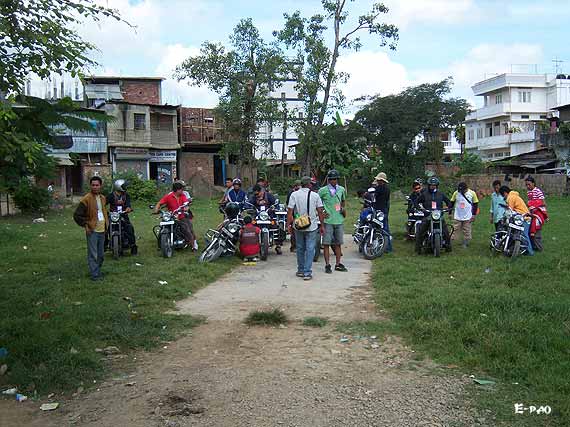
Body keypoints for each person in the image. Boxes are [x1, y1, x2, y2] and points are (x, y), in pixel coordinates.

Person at [287, 176, 325, 281]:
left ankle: (300, 270)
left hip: (298, 225)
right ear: (309, 184)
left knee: (300, 248)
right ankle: (307, 272)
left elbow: (290, 211)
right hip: (311, 225)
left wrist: (288, 225)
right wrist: (322, 225)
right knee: (310, 248)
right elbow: (320, 211)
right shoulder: (315, 195)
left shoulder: (294, 194)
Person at [73, 176, 108, 281]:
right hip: (92, 230)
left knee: (101, 254)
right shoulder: (86, 199)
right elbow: (77, 215)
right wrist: (85, 225)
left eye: (97, 185)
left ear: (100, 186)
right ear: (90, 186)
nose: (95, 187)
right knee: (93, 254)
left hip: (102, 229)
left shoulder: (103, 198)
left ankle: (98, 271)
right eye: (93, 185)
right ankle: (95, 275)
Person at [318, 169, 347, 273]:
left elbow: (343, 201)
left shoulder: (341, 189)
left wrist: (342, 209)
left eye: (335, 179)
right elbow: (318, 203)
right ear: (328, 180)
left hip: (338, 220)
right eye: (332, 179)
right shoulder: (322, 190)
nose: (334, 181)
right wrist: (323, 212)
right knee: (326, 244)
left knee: (338, 243)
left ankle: (338, 264)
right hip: (328, 221)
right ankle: (327, 265)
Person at [154, 182, 196, 250]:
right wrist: (156, 209)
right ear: (177, 190)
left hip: (181, 216)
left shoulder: (183, 196)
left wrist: (186, 208)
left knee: (187, 229)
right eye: (181, 189)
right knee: (162, 228)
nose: (182, 191)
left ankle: (193, 246)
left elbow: (186, 203)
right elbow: (159, 203)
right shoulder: (168, 196)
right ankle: (160, 245)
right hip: (171, 216)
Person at [416, 176, 452, 253]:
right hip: (428, 215)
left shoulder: (440, 194)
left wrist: (448, 207)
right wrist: (420, 208)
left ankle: (448, 246)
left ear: (437, 185)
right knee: (421, 231)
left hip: (439, 215)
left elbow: (448, 202)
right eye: (431, 185)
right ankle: (418, 247)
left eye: (434, 185)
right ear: (429, 185)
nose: (433, 186)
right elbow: (416, 202)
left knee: (446, 231)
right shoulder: (424, 194)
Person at [499, 185, 534, 256]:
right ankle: (520, 249)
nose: (503, 197)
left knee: (523, 235)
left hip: (524, 218)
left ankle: (530, 252)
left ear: (505, 193)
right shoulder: (514, 196)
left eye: (503, 195)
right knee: (520, 234)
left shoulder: (510, 197)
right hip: (522, 217)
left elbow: (509, 211)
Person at [106, 179, 138, 255]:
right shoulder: (111, 195)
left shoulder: (126, 195)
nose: (125, 187)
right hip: (113, 216)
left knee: (129, 228)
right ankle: (105, 244)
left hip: (123, 215)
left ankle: (133, 246)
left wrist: (128, 209)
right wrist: (105, 211)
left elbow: (128, 205)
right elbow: (104, 203)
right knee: (106, 229)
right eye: (124, 186)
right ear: (119, 186)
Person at [450, 182, 479, 248]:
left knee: (467, 230)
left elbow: (475, 204)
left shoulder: (472, 193)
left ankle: (466, 242)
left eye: (462, 190)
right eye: (460, 190)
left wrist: (474, 215)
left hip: (468, 216)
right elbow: (452, 202)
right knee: (454, 229)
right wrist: (450, 213)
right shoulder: (456, 193)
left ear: (466, 189)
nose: (461, 191)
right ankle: (450, 241)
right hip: (458, 215)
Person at [525, 176, 548, 251]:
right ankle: (533, 246)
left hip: (538, 213)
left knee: (536, 231)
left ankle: (539, 248)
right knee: (530, 230)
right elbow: (529, 202)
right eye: (526, 185)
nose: (528, 186)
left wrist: (535, 206)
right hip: (531, 212)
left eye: (529, 184)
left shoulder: (538, 191)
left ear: (533, 183)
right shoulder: (528, 192)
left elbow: (543, 203)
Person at [371, 172, 392, 252]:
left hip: (379, 210)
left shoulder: (379, 188)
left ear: (381, 181)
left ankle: (384, 246)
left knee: (379, 227)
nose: (377, 181)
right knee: (385, 228)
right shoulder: (387, 189)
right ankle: (387, 247)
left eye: (378, 180)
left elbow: (374, 196)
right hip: (384, 209)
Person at [287, 179, 302, 252]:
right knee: (294, 231)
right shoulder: (291, 194)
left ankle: (298, 246)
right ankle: (293, 246)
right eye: (298, 186)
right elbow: (289, 206)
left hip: (299, 214)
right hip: (294, 214)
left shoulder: (300, 193)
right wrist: (291, 216)